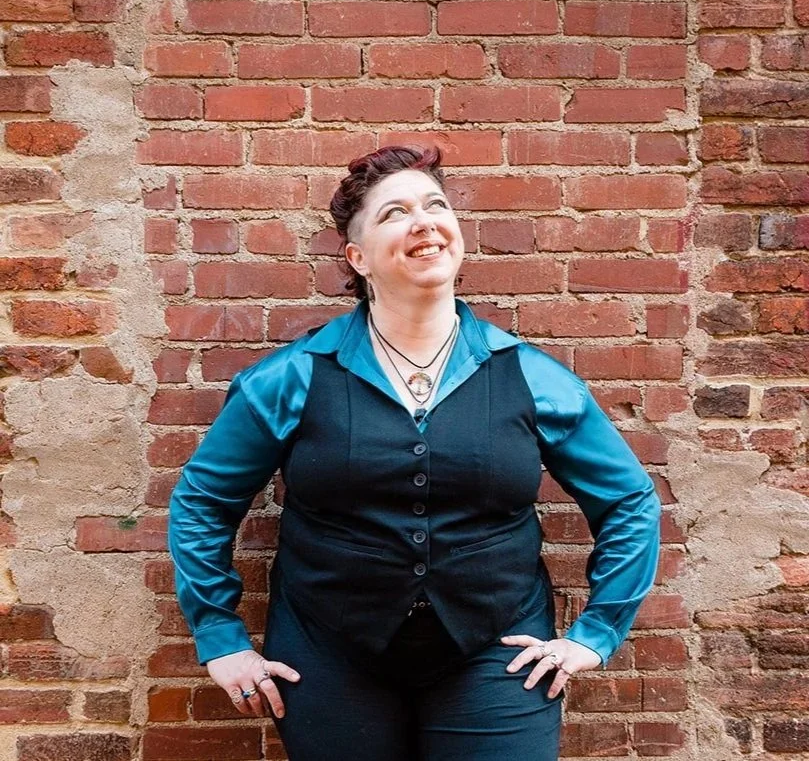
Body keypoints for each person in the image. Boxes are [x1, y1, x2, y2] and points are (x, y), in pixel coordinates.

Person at [168, 145, 661, 761]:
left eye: (436, 205)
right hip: (327, 657)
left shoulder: (530, 377)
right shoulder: (293, 376)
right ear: (359, 257)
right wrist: (219, 633)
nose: (424, 221)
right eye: (395, 212)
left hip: (497, 654)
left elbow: (630, 499)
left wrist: (596, 633)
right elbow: (203, 500)